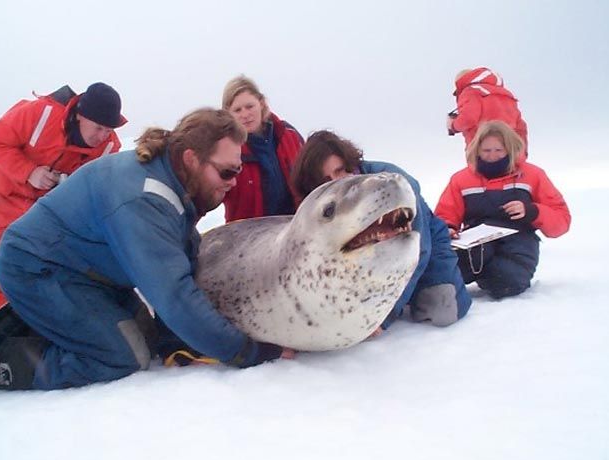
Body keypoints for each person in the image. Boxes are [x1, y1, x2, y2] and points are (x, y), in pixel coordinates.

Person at [0, 108, 291, 391]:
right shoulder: (142, 199)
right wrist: (249, 352)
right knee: (123, 355)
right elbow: (174, 296)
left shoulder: (173, 179)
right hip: (37, 269)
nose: (233, 180)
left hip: (89, 273)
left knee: (148, 338)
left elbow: (183, 261)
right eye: (227, 171)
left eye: (238, 171)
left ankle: (53, 326)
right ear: (192, 158)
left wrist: (176, 338)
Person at [291, 130, 471, 330]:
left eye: (340, 170)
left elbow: (417, 247)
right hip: (370, 258)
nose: (337, 180)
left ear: (350, 163)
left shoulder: (391, 180)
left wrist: (383, 318)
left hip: (424, 246)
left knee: (443, 310)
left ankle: (458, 267)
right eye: (327, 178)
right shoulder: (323, 201)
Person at [0, 82, 126, 319]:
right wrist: (29, 172)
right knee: (6, 254)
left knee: (53, 264)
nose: (103, 136)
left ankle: (48, 325)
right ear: (80, 116)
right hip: (8, 201)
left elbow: (98, 191)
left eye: (108, 130)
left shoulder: (109, 148)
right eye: (98, 128)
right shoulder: (39, 113)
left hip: (52, 212)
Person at [435, 121, 571, 299]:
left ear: (510, 148)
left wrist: (532, 211)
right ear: (476, 149)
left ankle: (491, 277)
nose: (492, 156)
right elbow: (444, 215)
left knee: (506, 282)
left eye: (499, 150)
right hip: (475, 244)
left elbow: (561, 220)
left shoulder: (533, 175)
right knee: (443, 277)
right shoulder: (461, 179)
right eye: (486, 151)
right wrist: (448, 228)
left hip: (518, 244)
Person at [221, 75, 304, 221]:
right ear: (228, 114)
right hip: (250, 238)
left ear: (261, 103)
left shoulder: (288, 135)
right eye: (238, 110)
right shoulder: (226, 151)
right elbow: (208, 193)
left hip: (295, 226)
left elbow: (310, 177)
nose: (245, 115)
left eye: (249, 106)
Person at [446, 67, 528, 151]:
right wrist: (521, 154)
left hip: (482, 152)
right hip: (508, 152)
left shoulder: (470, 91)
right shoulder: (507, 94)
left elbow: (469, 118)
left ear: (460, 82)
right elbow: (521, 127)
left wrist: (453, 125)